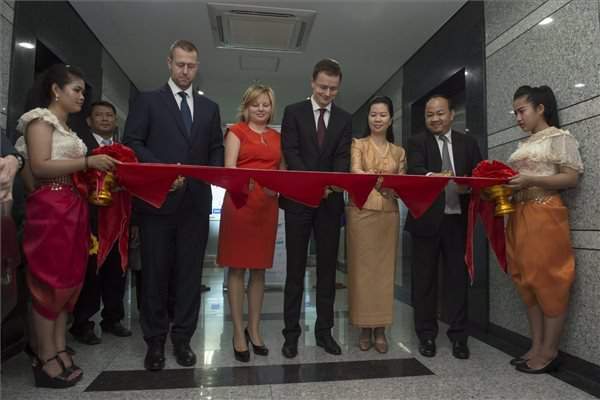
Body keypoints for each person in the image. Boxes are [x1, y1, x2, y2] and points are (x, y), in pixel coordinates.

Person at [123, 40, 224, 371]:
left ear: (197, 67)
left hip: (195, 202)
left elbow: (215, 147)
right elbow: (132, 143)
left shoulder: (209, 107)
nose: (185, 71)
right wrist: (165, 172)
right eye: (180, 64)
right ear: (169, 63)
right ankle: (154, 342)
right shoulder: (147, 101)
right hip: (157, 203)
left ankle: (183, 339)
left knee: (189, 275)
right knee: (155, 273)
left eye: (191, 66)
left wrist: (212, 171)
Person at [15, 64, 116, 387]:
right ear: (56, 90)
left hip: (73, 206)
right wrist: (87, 162)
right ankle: (44, 356)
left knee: (69, 282)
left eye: (83, 91)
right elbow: (39, 166)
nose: (82, 97)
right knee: (48, 283)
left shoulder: (68, 128)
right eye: (77, 90)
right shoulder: (39, 121)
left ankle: (59, 347)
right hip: (50, 208)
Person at [505, 85, 583, 374]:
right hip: (519, 212)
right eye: (515, 112)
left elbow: (571, 178)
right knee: (525, 281)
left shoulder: (559, 138)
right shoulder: (526, 143)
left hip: (544, 211)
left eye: (522, 111)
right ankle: (536, 345)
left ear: (540, 109)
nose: (518, 118)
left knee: (548, 280)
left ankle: (549, 351)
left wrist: (530, 181)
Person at [280, 59, 352, 358]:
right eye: (323, 87)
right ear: (312, 82)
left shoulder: (344, 118)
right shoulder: (293, 112)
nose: (327, 93)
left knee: (326, 271)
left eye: (333, 89)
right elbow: (291, 151)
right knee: (295, 270)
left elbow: (343, 156)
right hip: (299, 201)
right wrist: (312, 185)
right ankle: (291, 334)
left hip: (329, 203)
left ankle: (324, 332)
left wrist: (328, 184)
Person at [404, 94, 482, 360]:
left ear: (451, 114)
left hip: (456, 221)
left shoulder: (468, 143)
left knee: (457, 280)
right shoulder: (417, 142)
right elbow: (415, 171)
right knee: (424, 281)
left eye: (439, 113)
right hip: (425, 221)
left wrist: (467, 186)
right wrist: (435, 178)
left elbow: (479, 175)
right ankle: (426, 335)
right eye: (429, 115)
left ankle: (459, 337)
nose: (435, 119)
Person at [217, 84, 283, 362]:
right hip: (240, 204)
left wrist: (276, 187)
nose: (261, 108)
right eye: (256, 104)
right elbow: (230, 170)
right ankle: (238, 333)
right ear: (246, 106)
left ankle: (254, 330)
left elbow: (282, 172)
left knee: (258, 270)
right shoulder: (236, 131)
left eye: (266, 104)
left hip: (266, 207)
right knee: (237, 268)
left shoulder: (277, 137)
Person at [69, 100, 132, 345]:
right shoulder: (80, 149)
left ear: (115, 121)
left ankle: (112, 319)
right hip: (89, 217)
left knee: (117, 269)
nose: (105, 119)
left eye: (109, 115)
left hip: (119, 218)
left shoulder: (125, 150)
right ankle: (83, 323)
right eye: (99, 115)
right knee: (90, 271)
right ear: (89, 120)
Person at [346, 96, 406, 354]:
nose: (377, 119)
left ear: (391, 119)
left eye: (383, 115)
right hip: (360, 212)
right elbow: (356, 172)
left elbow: (401, 184)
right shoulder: (357, 144)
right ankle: (364, 327)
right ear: (368, 118)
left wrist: (382, 182)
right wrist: (381, 181)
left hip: (388, 215)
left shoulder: (399, 152)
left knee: (384, 273)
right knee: (362, 272)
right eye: (373, 114)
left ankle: (380, 328)